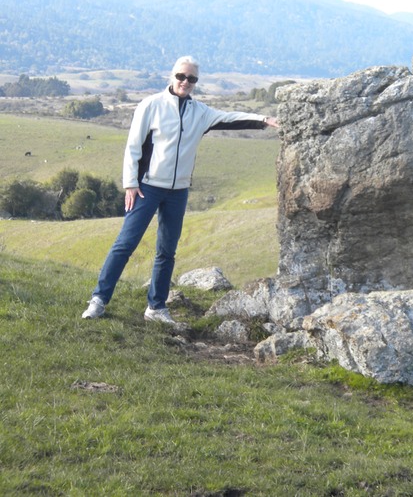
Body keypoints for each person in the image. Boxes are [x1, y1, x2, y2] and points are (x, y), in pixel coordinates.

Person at [82, 55, 279, 323]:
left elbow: (231, 118)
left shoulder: (201, 112)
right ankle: (98, 301)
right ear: (172, 76)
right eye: (181, 76)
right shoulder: (151, 105)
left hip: (178, 192)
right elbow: (133, 146)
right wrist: (130, 183)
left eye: (192, 78)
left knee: (166, 251)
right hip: (146, 188)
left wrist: (264, 119)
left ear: (196, 82)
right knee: (125, 244)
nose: (186, 82)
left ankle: (156, 308)